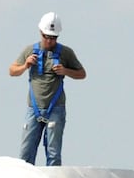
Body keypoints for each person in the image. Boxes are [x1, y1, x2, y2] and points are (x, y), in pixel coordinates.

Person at [9, 12, 86, 166]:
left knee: (53, 153)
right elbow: (12, 71)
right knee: (25, 153)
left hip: (55, 108)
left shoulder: (66, 53)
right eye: (47, 37)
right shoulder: (30, 50)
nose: (50, 41)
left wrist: (66, 71)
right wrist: (26, 66)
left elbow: (82, 74)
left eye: (53, 38)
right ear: (41, 33)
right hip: (34, 108)